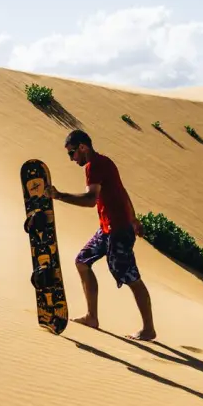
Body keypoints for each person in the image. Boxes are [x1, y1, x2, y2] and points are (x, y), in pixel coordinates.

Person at [48, 129, 156, 341]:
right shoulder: (105, 162)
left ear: (82, 147)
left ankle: (148, 329)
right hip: (108, 229)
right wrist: (133, 218)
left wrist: (59, 196)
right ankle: (92, 317)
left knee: (131, 277)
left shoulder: (94, 166)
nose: (71, 158)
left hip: (118, 231)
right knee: (82, 261)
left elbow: (90, 200)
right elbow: (122, 191)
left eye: (72, 153)